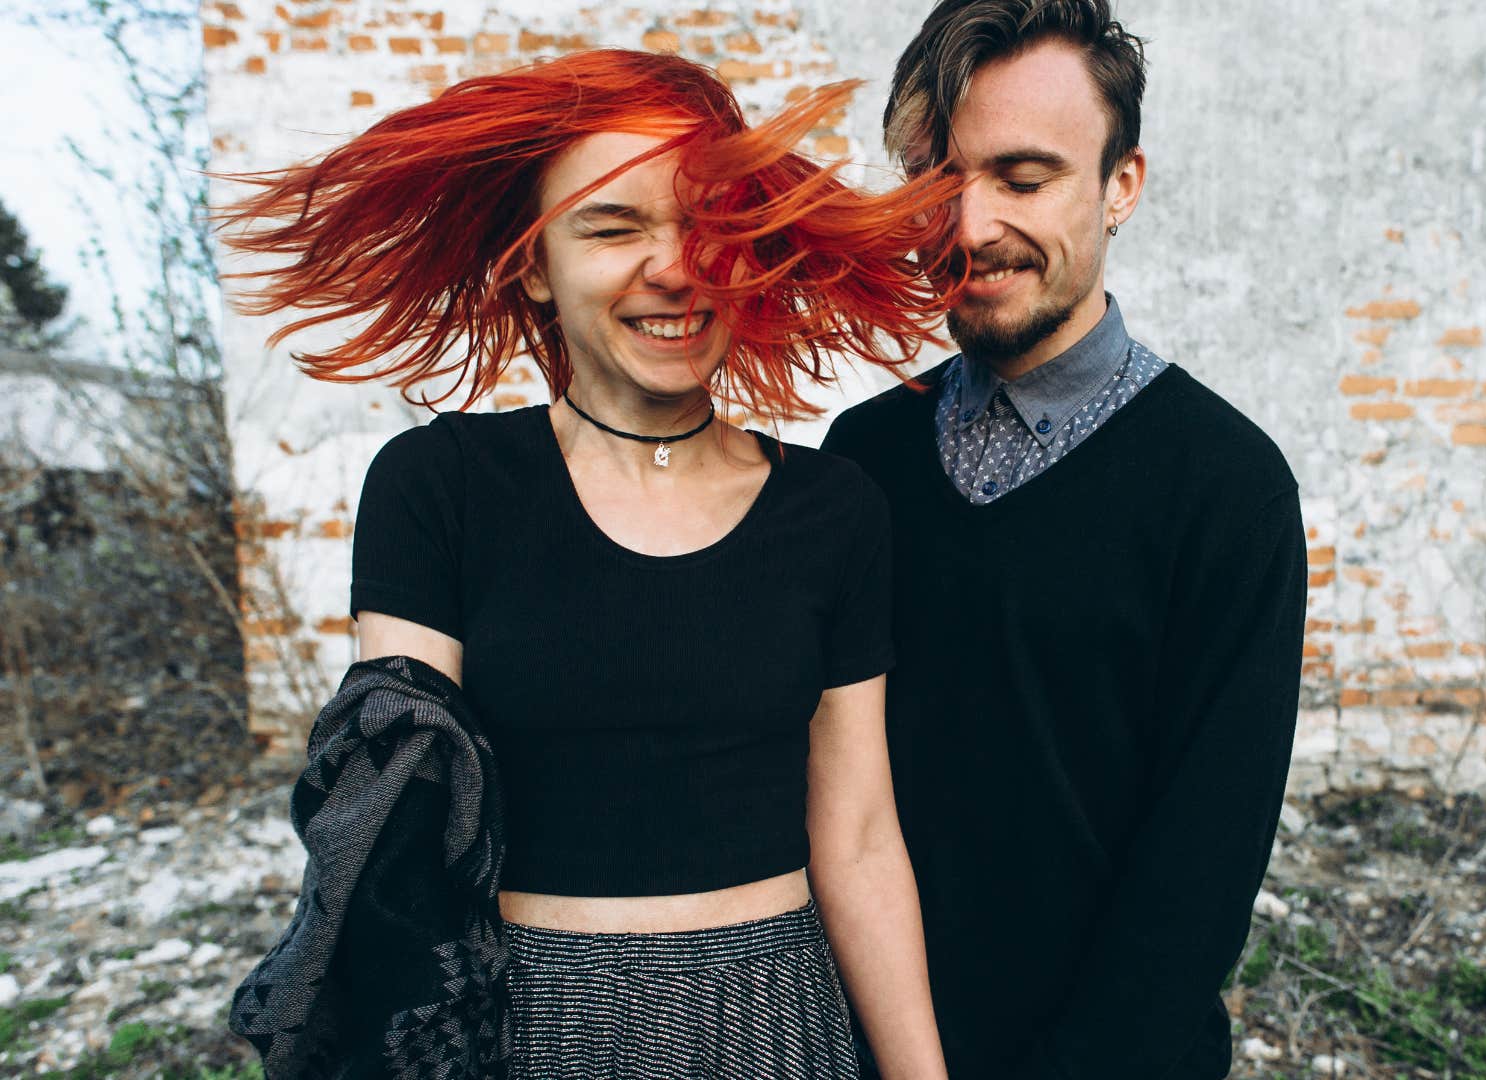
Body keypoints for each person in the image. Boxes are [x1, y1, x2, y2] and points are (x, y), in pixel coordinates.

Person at [221, 48, 955, 1079]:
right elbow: (396, 825)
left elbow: (863, 838)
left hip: (777, 1017)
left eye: (711, 227)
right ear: (533, 262)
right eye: (613, 227)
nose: (677, 267)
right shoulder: (440, 488)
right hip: (535, 1021)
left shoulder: (833, 510)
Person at [821, 2, 1310, 1077]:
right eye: (939, 183)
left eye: (1024, 178)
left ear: (1121, 185)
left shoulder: (1226, 489)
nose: (971, 226)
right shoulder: (863, 459)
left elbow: (1196, 881)